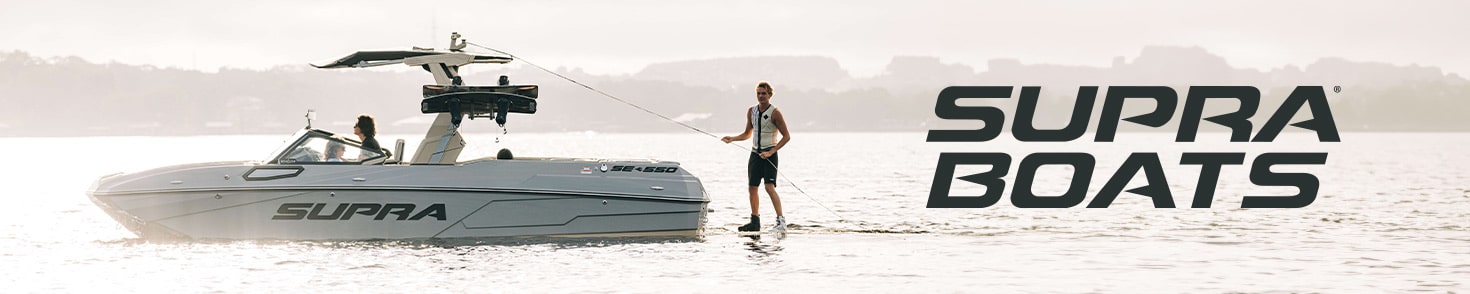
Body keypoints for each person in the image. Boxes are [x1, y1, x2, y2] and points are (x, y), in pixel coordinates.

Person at [721, 81, 791, 232]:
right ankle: (755, 221)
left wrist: (771, 152)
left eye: (764, 93)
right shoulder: (751, 111)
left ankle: (781, 222)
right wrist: (732, 138)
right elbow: (747, 134)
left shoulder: (775, 113)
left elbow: (786, 137)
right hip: (755, 154)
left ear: (770, 95)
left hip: (770, 155)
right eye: (758, 93)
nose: (761, 96)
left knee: (769, 187)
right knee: (752, 188)